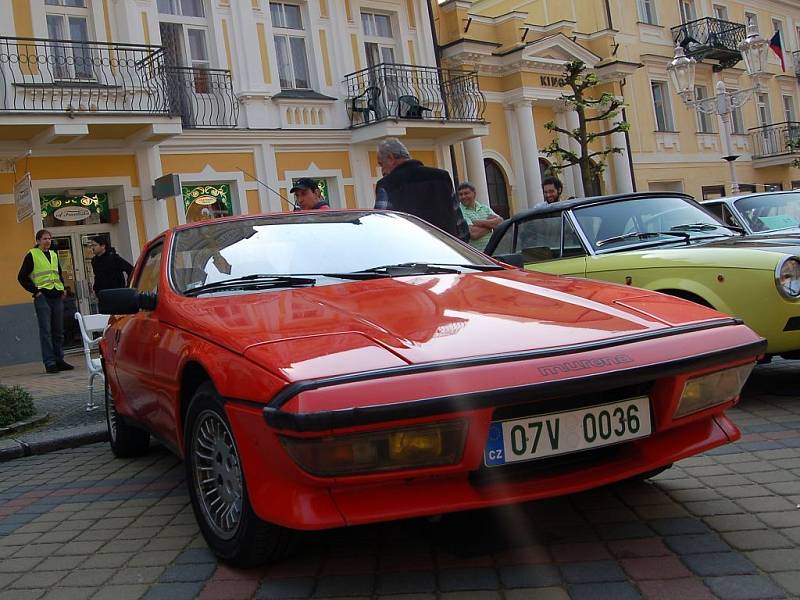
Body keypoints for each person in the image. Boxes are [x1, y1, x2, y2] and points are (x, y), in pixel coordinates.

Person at [374, 138, 469, 242]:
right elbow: (458, 218)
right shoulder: (442, 177)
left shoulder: (386, 185)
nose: (382, 170)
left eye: (381, 164)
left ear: (391, 157)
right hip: (447, 248)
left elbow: (382, 224)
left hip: (414, 251)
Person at [17, 229, 73, 374]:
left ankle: (59, 360)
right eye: (44, 239)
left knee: (58, 331)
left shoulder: (54, 255)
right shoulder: (32, 255)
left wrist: (63, 289)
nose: (48, 241)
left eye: (49, 238)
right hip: (43, 297)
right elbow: (22, 277)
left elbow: (58, 273)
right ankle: (50, 362)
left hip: (57, 296)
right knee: (46, 331)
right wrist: (36, 292)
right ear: (38, 241)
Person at [457, 182, 503, 251]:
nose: (463, 196)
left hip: (493, 251)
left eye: (466, 193)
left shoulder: (484, 208)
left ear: (474, 194)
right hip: (476, 255)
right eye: (460, 194)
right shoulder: (459, 211)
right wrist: (490, 227)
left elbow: (500, 223)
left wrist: (478, 223)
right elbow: (473, 234)